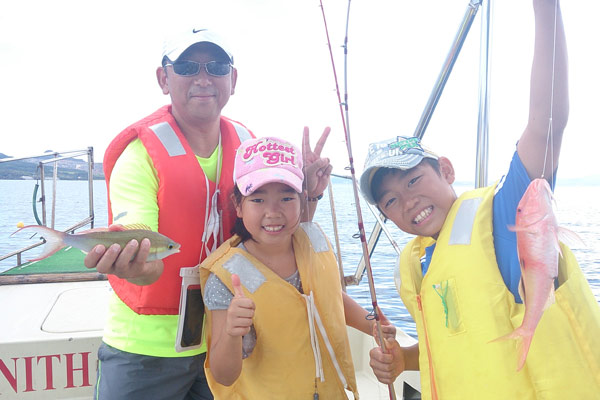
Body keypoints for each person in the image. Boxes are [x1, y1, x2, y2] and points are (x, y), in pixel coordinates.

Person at [360, 1, 600, 399]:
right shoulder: (417, 262)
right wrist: (405, 359)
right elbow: (455, 346)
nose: (407, 201)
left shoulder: (503, 216)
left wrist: (546, 11)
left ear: (448, 171)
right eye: (389, 200)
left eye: (415, 179)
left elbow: (547, 122)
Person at [199, 136, 396, 399]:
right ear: (238, 205)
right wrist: (232, 331)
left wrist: (372, 324)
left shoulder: (312, 241)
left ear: (303, 200)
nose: (273, 211)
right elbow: (224, 375)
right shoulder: (225, 277)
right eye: (257, 199)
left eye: (286, 198)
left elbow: (330, 299)